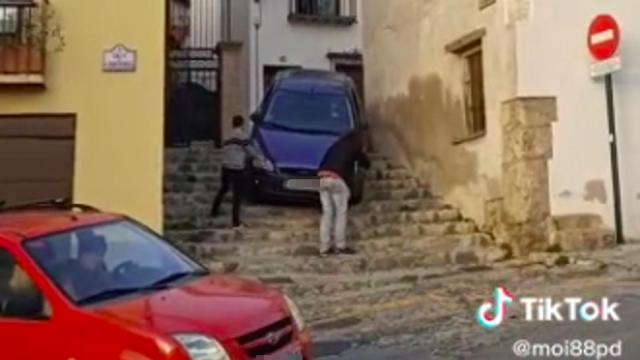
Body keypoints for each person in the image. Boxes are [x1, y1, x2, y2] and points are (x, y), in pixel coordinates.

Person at [317, 131, 371, 257]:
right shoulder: (354, 145)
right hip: (336, 179)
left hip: (321, 178)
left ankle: (324, 248)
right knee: (341, 212)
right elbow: (365, 162)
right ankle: (340, 246)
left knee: (327, 213)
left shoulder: (336, 145)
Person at [210, 115, 255, 228]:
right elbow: (251, 152)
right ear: (242, 124)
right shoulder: (243, 137)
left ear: (233, 123)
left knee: (223, 189)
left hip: (226, 166)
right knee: (237, 195)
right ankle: (236, 221)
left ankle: (214, 211)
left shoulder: (226, 137)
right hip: (237, 168)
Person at [62, 231, 111, 300]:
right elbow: (70, 298)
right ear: (83, 255)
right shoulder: (68, 273)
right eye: (94, 254)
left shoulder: (101, 269)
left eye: (101, 255)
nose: (98, 258)